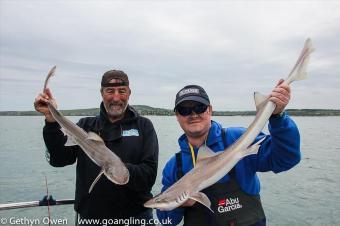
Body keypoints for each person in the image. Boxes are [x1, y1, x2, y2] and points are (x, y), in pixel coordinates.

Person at [157, 81, 301, 226]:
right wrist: (179, 204)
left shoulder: (237, 138)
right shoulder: (175, 166)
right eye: (184, 110)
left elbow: (286, 159)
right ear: (177, 115)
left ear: (209, 110)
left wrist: (278, 117)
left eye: (199, 107)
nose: (193, 114)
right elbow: (165, 221)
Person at [34, 70, 159, 225]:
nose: (116, 97)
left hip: (136, 218)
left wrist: (116, 167)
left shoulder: (144, 126)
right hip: (91, 219)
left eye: (122, 91)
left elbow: (149, 175)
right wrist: (51, 122)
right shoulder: (85, 126)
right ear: (101, 93)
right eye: (110, 91)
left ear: (129, 93)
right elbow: (58, 159)